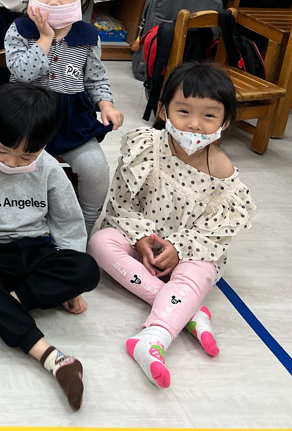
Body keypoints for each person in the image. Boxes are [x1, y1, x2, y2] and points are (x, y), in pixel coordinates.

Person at [88, 63, 255, 389]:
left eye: (209, 116)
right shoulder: (145, 146)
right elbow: (121, 203)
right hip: (139, 239)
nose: (194, 124)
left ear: (225, 122)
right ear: (163, 110)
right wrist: (140, 238)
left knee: (201, 270)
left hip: (189, 252)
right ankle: (187, 310)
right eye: (184, 111)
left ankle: (155, 337)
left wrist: (178, 249)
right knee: (99, 243)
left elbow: (214, 234)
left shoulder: (223, 172)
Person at [0, 83, 100, 411]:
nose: (12, 163)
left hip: (35, 250)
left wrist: (71, 281)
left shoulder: (49, 167)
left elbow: (68, 222)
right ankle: (52, 358)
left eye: (27, 156)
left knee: (87, 269)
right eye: (3, 150)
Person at [3, 0, 124, 234]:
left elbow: (96, 78)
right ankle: (23, 223)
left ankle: (83, 226)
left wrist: (106, 105)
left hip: (72, 122)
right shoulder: (19, 30)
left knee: (96, 170)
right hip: (27, 120)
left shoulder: (88, 36)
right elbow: (23, 73)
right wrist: (45, 37)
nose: (54, 1)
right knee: (23, 170)